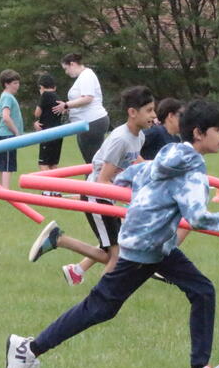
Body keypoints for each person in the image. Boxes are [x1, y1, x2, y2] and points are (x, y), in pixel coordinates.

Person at [5, 100, 219, 368]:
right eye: (218, 130)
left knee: (202, 290)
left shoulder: (170, 154)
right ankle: (28, 349)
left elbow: (134, 174)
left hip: (156, 245)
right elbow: (197, 217)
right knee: (100, 307)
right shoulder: (192, 169)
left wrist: (130, 196)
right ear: (199, 133)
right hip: (145, 248)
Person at [28, 87, 156, 285]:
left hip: (107, 197)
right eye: (149, 110)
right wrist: (129, 196)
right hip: (98, 196)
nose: (154, 115)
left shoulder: (139, 137)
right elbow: (102, 180)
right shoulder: (120, 139)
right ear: (132, 112)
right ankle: (100, 296)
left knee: (111, 252)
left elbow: (136, 162)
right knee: (117, 256)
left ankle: (65, 250)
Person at [53, 53, 109, 163]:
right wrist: (69, 107)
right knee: (92, 160)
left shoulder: (86, 75)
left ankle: (98, 175)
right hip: (87, 123)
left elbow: (87, 98)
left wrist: (66, 105)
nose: (66, 72)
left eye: (66, 68)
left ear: (72, 64)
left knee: (93, 161)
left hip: (92, 122)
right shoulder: (84, 76)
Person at [0, 69, 23, 189]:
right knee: (7, 166)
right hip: (7, 135)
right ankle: (5, 191)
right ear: (6, 84)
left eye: (18, 83)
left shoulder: (7, 96)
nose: (17, 85)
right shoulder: (7, 97)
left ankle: (2, 190)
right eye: (14, 83)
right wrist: (16, 132)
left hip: (4, 135)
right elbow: (6, 117)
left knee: (4, 165)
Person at [33, 74, 63, 172]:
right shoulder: (57, 96)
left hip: (47, 134)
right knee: (53, 164)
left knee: (43, 164)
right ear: (54, 87)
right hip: (59, 133)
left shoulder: (45, 95)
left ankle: (48, 183)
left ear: (41, 87)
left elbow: (37, 113)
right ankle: (56, 182)